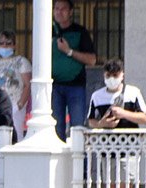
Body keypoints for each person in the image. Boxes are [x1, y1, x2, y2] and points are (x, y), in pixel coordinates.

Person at [87, 59, 146, 188]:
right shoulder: (97, 96)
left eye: (115, 76)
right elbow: (91, 121)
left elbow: (145, 117)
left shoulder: (133, 93)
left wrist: (123, 114)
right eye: (108, 76)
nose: (112, 79)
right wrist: (103, 124)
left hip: (128, 147)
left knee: (124, 186)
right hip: (108, 149)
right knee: (112, 187)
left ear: (122, 75)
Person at [50, 0, 98, 141]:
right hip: (54, 87)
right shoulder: (48, 31)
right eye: (56, 8)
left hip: (75, 87)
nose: (59, 12)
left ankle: (79, 162)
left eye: (63, 9)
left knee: (77, 127)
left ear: (71, 12)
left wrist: (69, 51)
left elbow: (92, 60)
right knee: (55, 128)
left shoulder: (80, 32)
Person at [0, 30, 31, 127]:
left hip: (15, 105)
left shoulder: (22, 62)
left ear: (14, 45)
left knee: (16, 134)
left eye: (8, 43)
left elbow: (28, 85)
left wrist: (20, 105)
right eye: (1, 43)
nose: (5, 46)